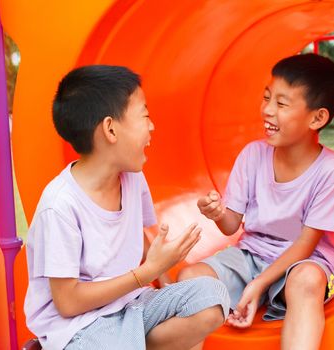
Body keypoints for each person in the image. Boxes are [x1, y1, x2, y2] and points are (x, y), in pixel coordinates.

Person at [24, 65, 230, 350]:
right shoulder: (60, 206)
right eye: (145, 115)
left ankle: (133, 342)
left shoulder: (132, 177)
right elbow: (68, 303)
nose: (152, 126)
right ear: (111, 129)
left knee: (211, 297)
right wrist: (147, 273)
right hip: (81, 326)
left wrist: (166, 284)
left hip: (131, 306)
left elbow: (141, 241)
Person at [178, 53, 334, 350]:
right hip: (251, 255)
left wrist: (257, 286)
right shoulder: (253, 155)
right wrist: (218, 213)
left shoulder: (333, 170)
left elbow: (305, 245)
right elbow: (232, 224)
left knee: (306, 281)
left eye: (281, 104)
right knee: (190, 276)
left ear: (317, 118)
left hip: (305, 262)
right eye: (267, 98)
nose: (267, 110)